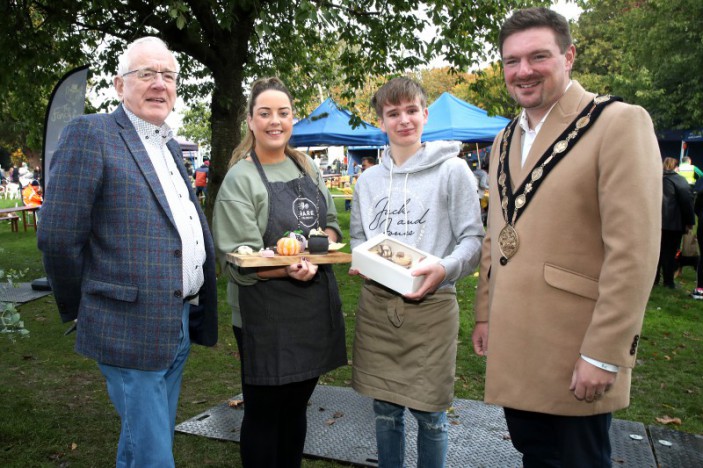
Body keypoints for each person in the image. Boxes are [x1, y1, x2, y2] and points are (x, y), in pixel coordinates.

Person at [471, 8, 661, 467]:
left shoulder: (617, 123)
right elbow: (497, 238)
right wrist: (484, 314)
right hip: (516, 340)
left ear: (569, 56)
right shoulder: (503, 139)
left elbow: (633, 253)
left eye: (538, 56)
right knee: (534, 455)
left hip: (575, 347)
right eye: (512, 61)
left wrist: (605, 353)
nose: (524, 71)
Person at [37, 36, 218, 468]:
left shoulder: (169, 145)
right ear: (120, 85)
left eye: (168, 76)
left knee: (140, 443)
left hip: (177, 321)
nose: (160, 84)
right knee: (156, 455)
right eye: (147, 74)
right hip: (125, 326)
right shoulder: (90, 134)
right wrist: (83, 306)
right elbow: (59, 237)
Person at [349, 77, 484, 468]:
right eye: (393, 113)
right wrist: (364, 260)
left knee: (431, 415)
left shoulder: (453, 170)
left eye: (411, 111)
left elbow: (473, 240)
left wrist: (444, 267)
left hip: (432, 308)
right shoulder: (369, 180)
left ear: (425, 114)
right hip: (378, 307)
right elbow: (359, 236)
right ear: (381, 121)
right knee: (385, 412)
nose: (403, 120)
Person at [213, 77, 347, 468]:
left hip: (311, 309)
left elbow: (334, 223)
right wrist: (289, 268)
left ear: (293, 119)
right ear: (251, 122)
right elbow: (239, 258)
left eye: (283, 113)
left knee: (297, 407)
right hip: (264, 314)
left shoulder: (305, 166)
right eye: (265, 113)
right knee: (265, 412)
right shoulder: (241, 178)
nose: (275, 121)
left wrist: (321, 241)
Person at [656, 157, 695, 289]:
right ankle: (668, 281)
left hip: (655, 222)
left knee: (656, 252)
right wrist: (690, 221)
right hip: (672, 223)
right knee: (669, 252)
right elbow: (687, 201)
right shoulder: (679, 181)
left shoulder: (655, 179)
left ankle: (653, 280)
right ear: (676, 167)